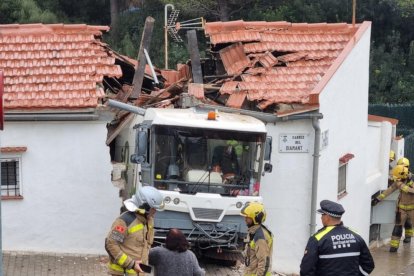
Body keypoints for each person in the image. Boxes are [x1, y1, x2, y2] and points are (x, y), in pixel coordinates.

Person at [300, 200, 375, 276]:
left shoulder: (317, 238)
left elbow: (306, 270)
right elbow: (368, 265)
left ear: (327, 217)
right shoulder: (356, 236)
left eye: (322, 215)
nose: (321, 218)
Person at [105, 186, 164, 276]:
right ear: (145, 206)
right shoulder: (125, 220)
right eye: (153, 208)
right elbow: (111, 244)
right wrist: (131, 264)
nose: (155, 211)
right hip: (122, 273)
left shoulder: (149, 220)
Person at [372, 164, 414, 251]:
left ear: (404, 175)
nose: (397, 180)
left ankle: (408, 237)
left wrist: (403, 186)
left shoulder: (411, 180)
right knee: (397, 227)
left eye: (399, 178)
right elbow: (390, 189)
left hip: (412, 209)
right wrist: (378, 199)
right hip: (401, 209)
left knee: (409, 225)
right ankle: (394, 247)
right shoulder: (399, 181)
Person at [240, 202, 273, 276]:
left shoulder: (260, 236)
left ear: (255, 218)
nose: (245, 219)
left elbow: (263, 262)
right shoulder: (253, 231)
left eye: (247, 217)